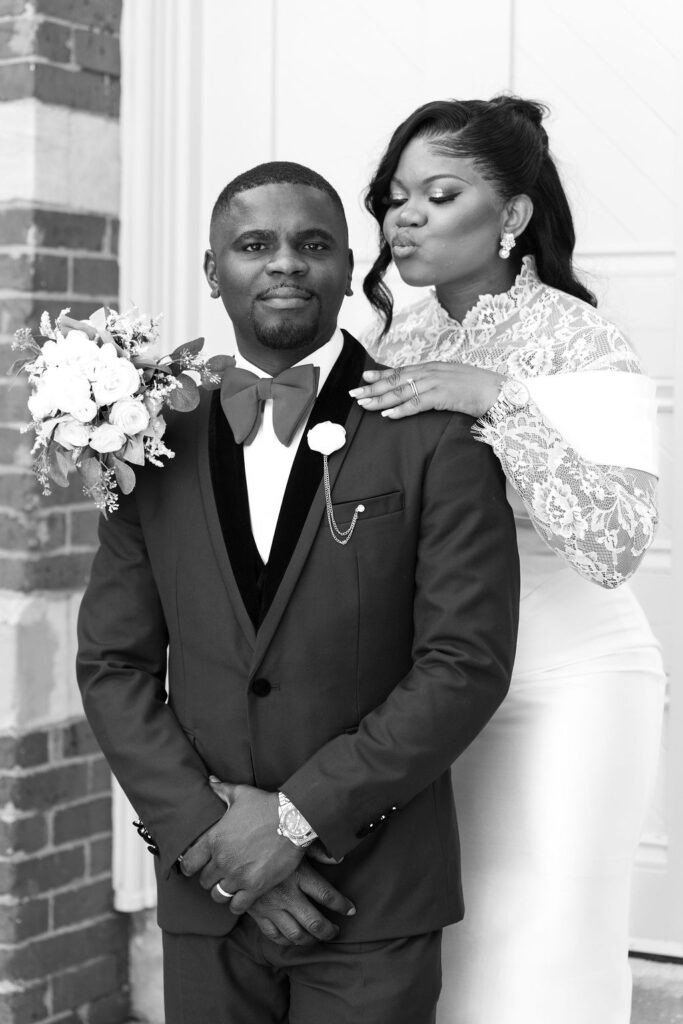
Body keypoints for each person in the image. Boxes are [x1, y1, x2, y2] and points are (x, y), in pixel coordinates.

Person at [76, 161, 520, 1024]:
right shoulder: (146, 437)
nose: (284, 263)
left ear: (348, 269)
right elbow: (112, 665)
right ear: (214, 272)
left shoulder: (434, 435)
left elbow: (463, 663)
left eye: (311, 245)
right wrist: (214, 843)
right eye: (254, 245)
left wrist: (290, 824)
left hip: (373, 896)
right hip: (208, 899)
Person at [352, 96, 666, 1024]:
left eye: (438, 194)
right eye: (394, 197)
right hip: (436, 686)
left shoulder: (579, 337)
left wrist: (498, 397)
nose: (403, 216)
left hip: (570, 684)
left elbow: (615, 541)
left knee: (545, 958)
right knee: (455, 950)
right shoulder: (394, 342)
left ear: (513, 217)